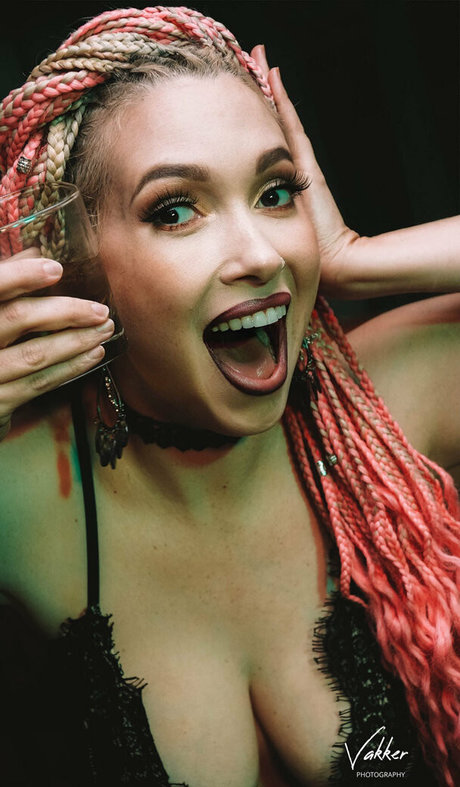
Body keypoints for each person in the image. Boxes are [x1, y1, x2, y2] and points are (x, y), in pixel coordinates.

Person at [0, 5, 459, 786]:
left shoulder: (393, 402)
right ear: (72, 262)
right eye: (175, 209)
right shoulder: (23, 492)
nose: (260, 254)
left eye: (276, 193)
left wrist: (359, 256)